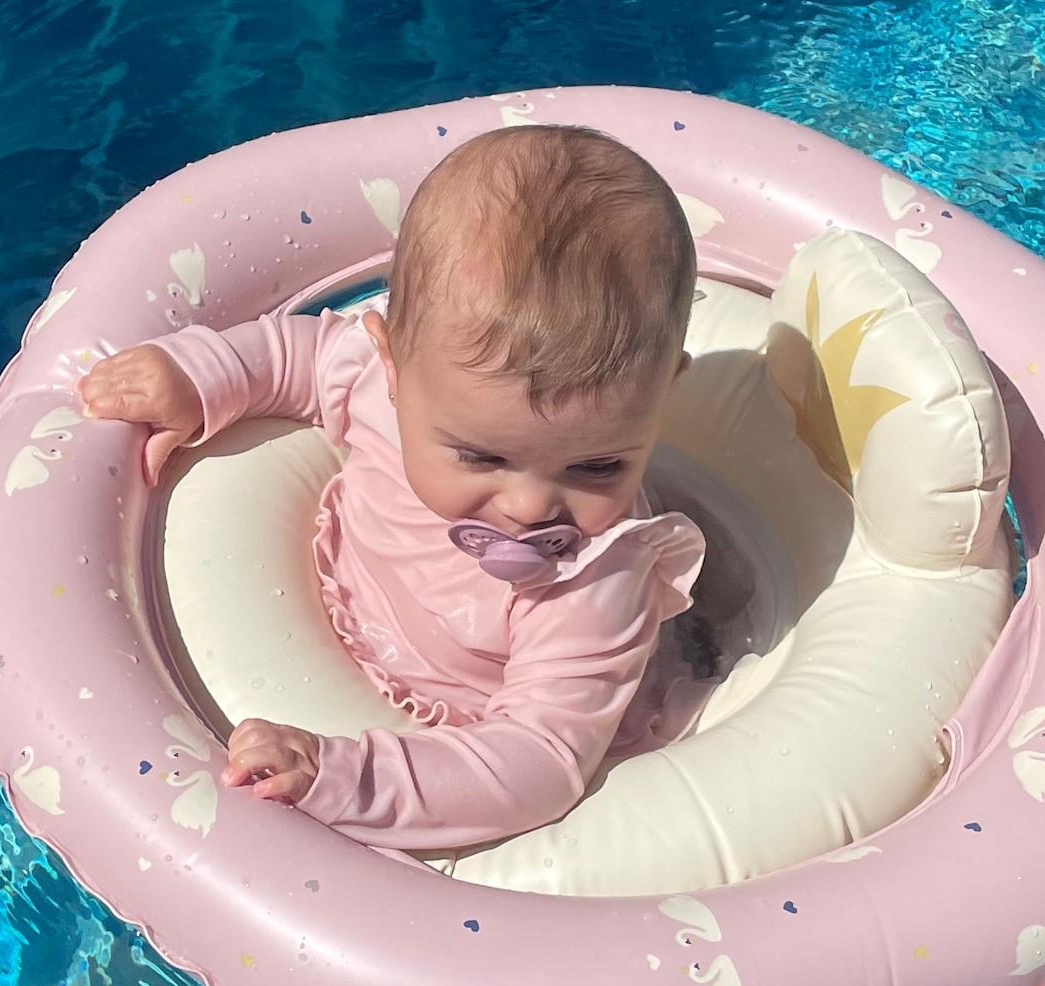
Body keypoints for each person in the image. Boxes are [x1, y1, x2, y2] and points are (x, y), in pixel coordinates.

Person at [76, 125, 706, 848]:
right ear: (393, 368)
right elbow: (297, 355)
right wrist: (199, 377)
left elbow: (537, 761)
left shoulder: (596, 583)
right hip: (356, 615)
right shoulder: (379, 381)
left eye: (598, 467)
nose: (531, 508)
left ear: (666, 394)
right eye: (480, 457)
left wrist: (345, 775)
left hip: (484, 720)